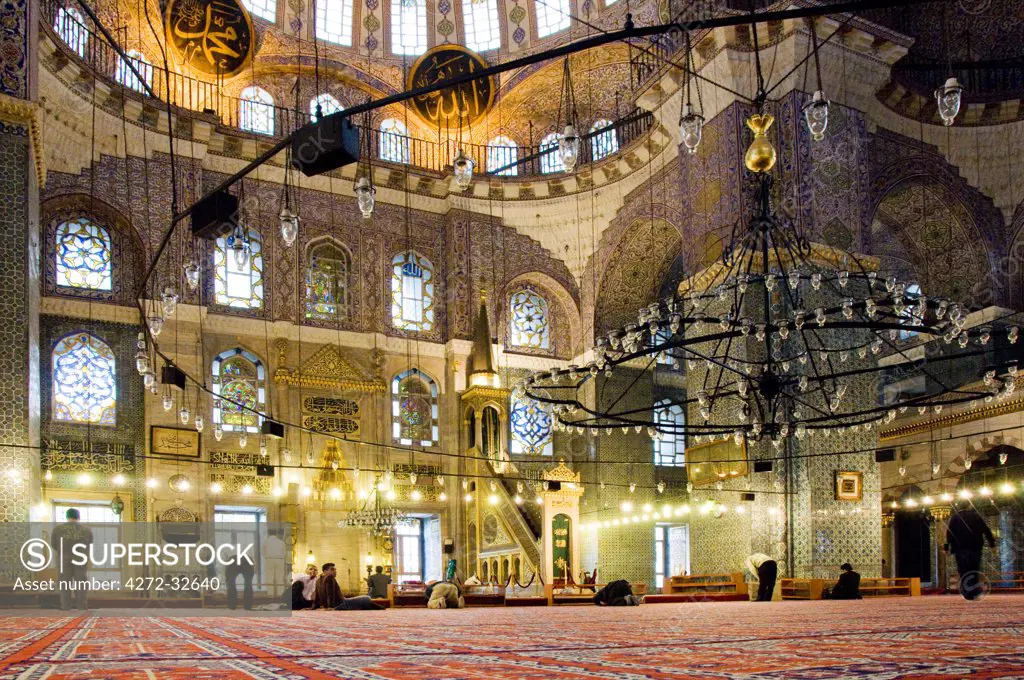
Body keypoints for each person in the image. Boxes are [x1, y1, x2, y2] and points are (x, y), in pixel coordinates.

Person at [946, 505, 996, 600]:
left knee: (964, 570)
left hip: (960, 549)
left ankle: (967, 592)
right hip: (975, 548)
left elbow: (949, 533)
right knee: (974, 569)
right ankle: (974, 591)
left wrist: (946, 547)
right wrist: (992, 544)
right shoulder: (976, 516)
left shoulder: (955, 517)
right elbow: (986, 530)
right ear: (968, 506)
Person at [50, 508, 93, 611]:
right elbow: (89, 543)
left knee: (64, 583)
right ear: (78, 517)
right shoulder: (87, 530)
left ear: (67, 516)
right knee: (81, 583)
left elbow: (54, 544)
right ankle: (81, 606)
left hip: (64, 559)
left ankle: (65, 607)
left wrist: (63, 550)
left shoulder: (57, 529)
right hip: (80, 559)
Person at [314, 563, 384, 611]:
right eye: (332, 569)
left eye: (335, 569)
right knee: (367, 598)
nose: (335, 571)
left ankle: (380, 608)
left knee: (365, 603)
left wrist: (314, 607)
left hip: (337, 603)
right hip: (341, 604)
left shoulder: (318, 581)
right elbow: (330, 594)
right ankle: (381, 608)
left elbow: (317, 596)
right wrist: (331, 607)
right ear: (325, 571)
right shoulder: (329, 577)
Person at [262, 529, 288, 598]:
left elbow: (263, 552)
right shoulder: (281, 542)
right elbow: (284, 553)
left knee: (269, 578)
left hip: (269, 560)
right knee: (279, 578)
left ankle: (270, 595)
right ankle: (279, 595)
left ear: (268, 533)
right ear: (276, 534)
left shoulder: (265, 542)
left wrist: (268, 557)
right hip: (279, 560)